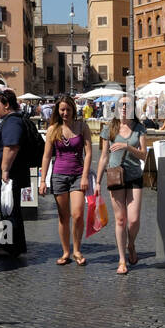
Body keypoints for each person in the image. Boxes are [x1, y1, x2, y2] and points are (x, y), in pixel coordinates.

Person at [40, 94, 93, 266]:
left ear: (73, 110)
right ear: (58, 110)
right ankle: (66, 252)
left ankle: (77, 249)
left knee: (77, 214)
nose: (65, 113)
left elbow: (89, 153)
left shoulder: (82, 126)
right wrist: (42, 180)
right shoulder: (53, 129)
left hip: (78, 175)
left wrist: (85, 176)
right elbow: (47, 156)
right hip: (59, 176)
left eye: (68, 110)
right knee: (63, 217)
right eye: (62, 110)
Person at [96, 96, 146, 274]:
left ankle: (131, 244)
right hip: (114, 175)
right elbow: (103, 157)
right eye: (121, 105)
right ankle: (122, 259)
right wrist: (97, 182)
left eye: (128, 105)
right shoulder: (109, 129)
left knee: (133, 220)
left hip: (134, 177)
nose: (124, 108)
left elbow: (143, 156)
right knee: (120, 220)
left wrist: (127, 146)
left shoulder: (139, 128)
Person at [0, 89, 30, 258]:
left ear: (6, 105)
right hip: (3, 176)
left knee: (9, 211)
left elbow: (11, 146)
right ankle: (6, 243)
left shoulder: (12, 122)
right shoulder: (7, 120)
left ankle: (10, 247)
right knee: (6, 211)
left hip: (6, 176)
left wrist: (4, 170)